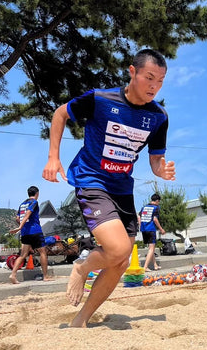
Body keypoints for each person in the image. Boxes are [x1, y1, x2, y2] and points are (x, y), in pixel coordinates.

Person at [42, 48, 176, 328]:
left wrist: (160, 170)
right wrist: (53, 157)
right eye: (149, 77)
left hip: (122, 189)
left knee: (122, 262)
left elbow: (155, 160)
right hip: (91, 180)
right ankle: (82, 266)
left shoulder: (158, 117)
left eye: (160, 81)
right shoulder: (100, 99)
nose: (154, 86)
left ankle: (81, 319)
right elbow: (60, 114)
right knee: (115, 249)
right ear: (132, 72)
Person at [9, 186, 52, 283]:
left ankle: (13, 274)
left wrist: (21, 226)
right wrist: (20, 227)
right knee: (43, 252)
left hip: (25, 233)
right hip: (35, 231)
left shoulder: (22, 204)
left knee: (23, 255)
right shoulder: (34, 202)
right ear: (37, 193)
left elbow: (17, 218)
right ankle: (45, 276)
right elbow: (28, 213)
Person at [138, 193, 165, 271]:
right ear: (157, 201)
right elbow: (155, 219)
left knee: (150, 248)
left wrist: (141, 225)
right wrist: (161, 229)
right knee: (151, 249)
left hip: (143, 229)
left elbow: (139, 216)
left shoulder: (144, 207)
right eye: (158, 201)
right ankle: (145, 267)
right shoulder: (156, 207)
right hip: (151, 229)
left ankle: (155, 265)